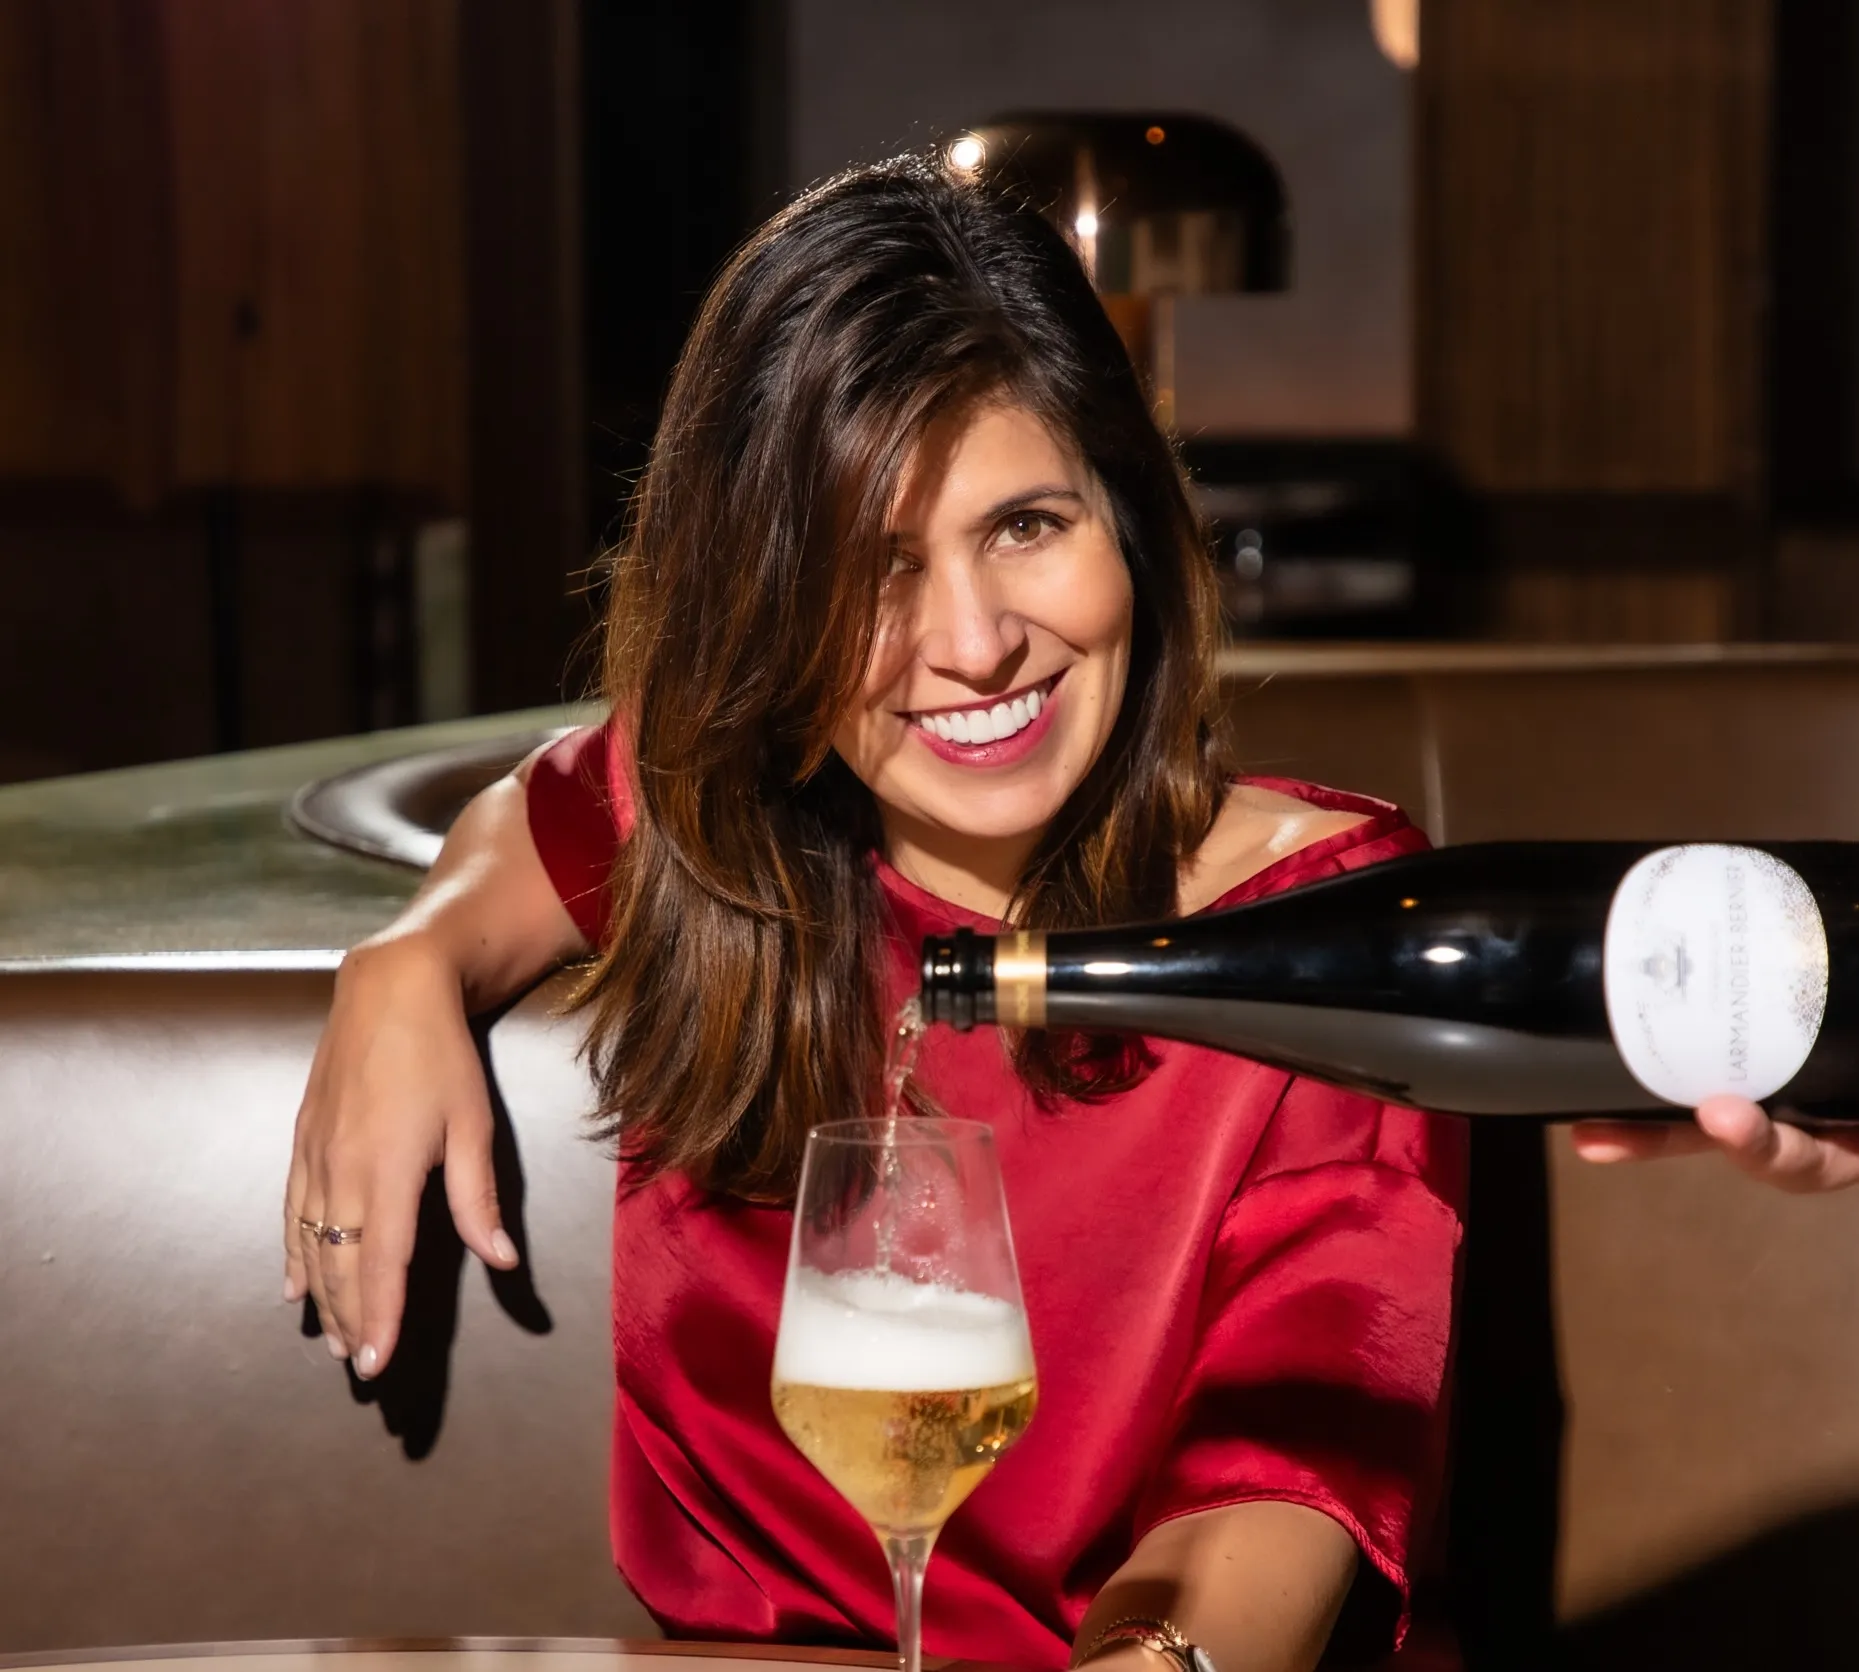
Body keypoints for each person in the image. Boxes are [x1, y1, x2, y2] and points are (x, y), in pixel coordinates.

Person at [284, 155, 1469, 1672]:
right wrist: (408, 961)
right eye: (874, 567)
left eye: (1027, 525)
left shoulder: (1325, 932)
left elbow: (1286, 1472)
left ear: (1130, 525)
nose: (973, 644)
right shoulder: (729, 825)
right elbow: (549, 805)